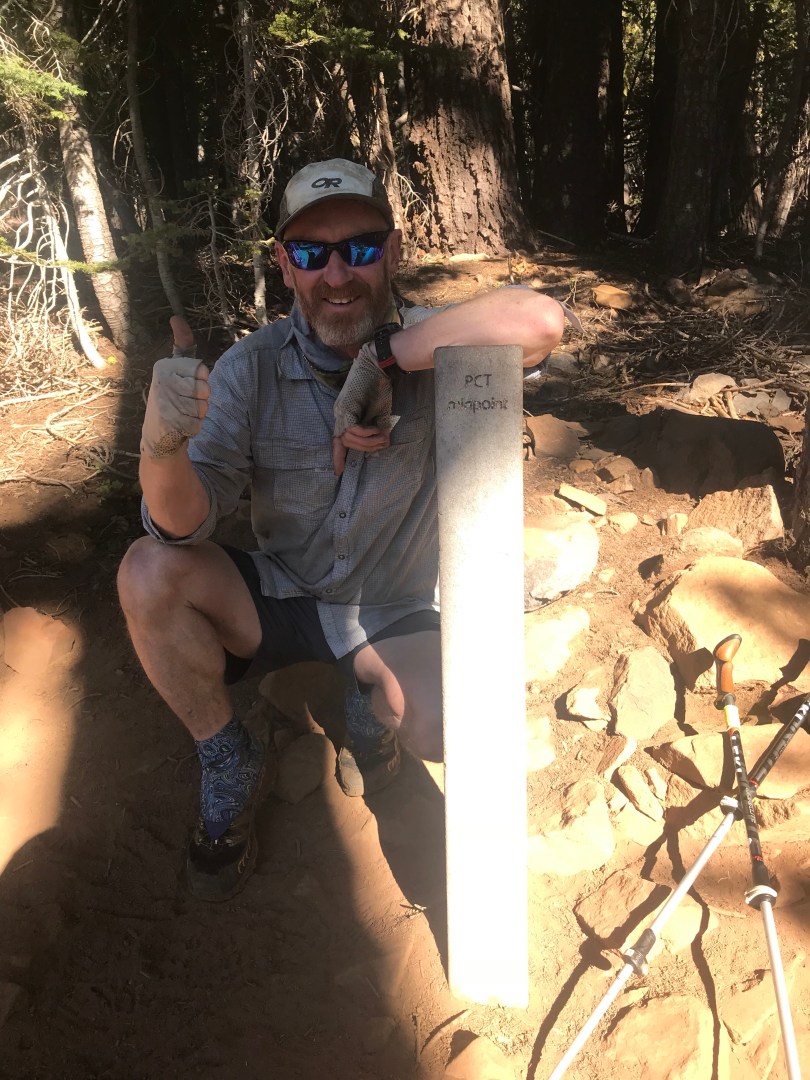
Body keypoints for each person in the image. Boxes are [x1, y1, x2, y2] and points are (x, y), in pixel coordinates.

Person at [117, 158, 566, 902]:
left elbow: (542, 321)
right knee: (146, 571)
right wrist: (160, 449)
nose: (336, 274)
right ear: (283, 264)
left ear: (393, 251)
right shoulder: (251, 369)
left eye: (359, 248)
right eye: (310, 252)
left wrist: (384, 359)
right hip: (283, 591)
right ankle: (228, 759)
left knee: (449, 727)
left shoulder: (437, 343)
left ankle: (369, 712)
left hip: (393, 606)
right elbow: (182, 527)